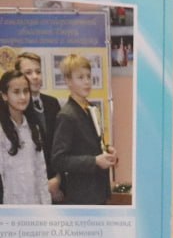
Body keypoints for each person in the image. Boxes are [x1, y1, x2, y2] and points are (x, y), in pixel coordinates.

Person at [50, 54, 114, 205]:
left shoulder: (91, 108)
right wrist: (94, 161)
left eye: (88, 76)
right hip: (82, 195)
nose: (87, 82)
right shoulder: (67, 115)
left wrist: (108, 150)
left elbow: (92, 144)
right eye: (80, 77)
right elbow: (58, 159)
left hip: (98, 190)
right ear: (68, 81)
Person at [0, 68, 49, 204]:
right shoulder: (2, 131)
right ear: (4, 95)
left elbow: (41, 172)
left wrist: (46, 206)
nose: (22, 97)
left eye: (26, 91)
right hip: (10, 207)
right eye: (16, 92)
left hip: (35, 206)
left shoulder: (34, 128)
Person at [15, 52, 58, 194]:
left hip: (56, 184)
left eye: (38, 72)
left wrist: (58, 180)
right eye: (28, 72)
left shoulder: (52, 103)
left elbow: (60, 145)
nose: (35, 76)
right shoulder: (15, 109)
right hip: (28, 187)